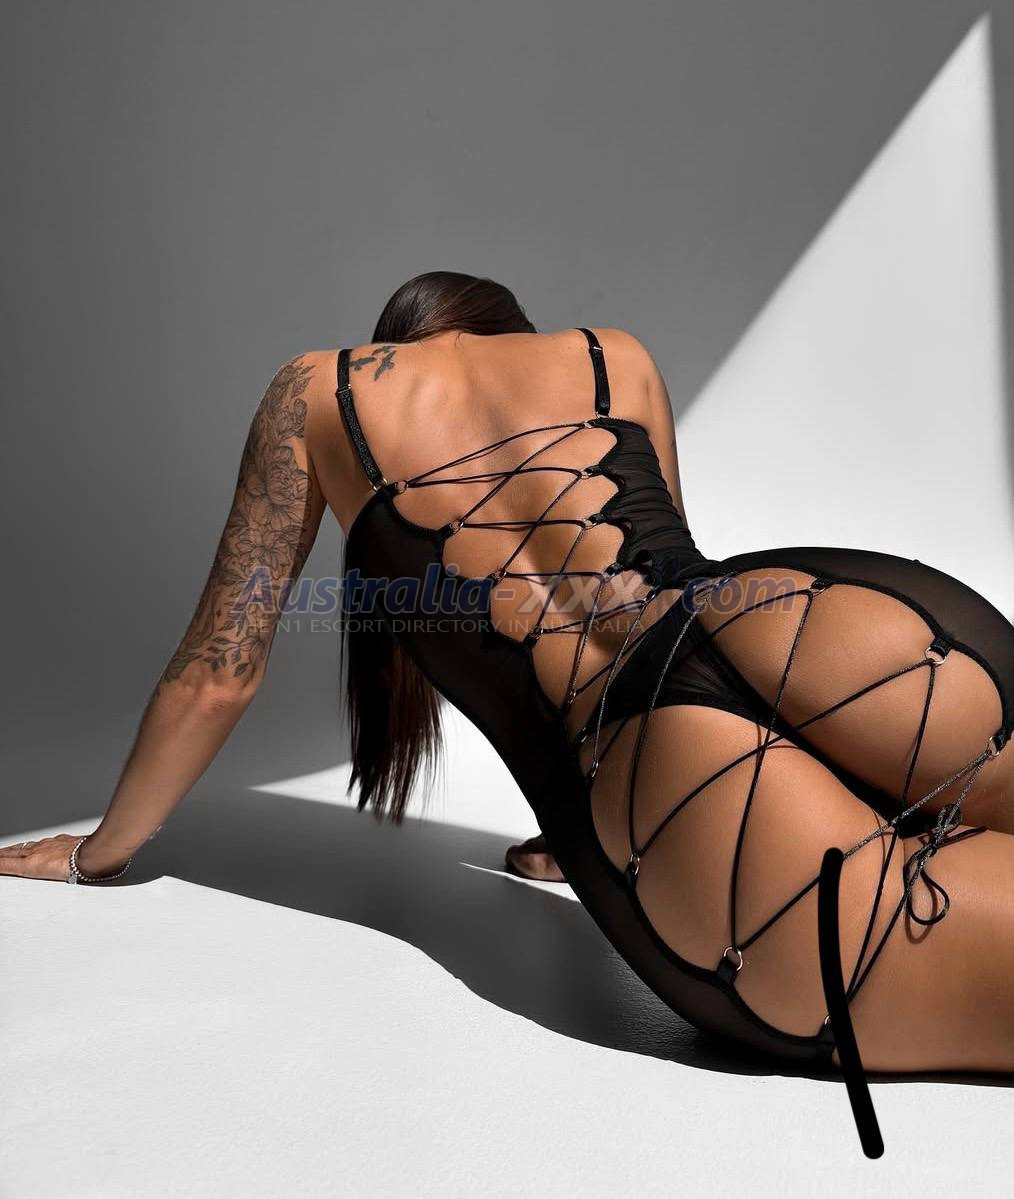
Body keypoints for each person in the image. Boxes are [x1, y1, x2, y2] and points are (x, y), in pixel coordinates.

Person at [3, 271, 1011, 1078]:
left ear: (400, 338)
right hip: (829, 619)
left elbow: (217, 677)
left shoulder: (314, 394)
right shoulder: (611, 355)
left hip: (666, 768)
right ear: (506, 328)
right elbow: (666, 609)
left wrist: (99, 850)